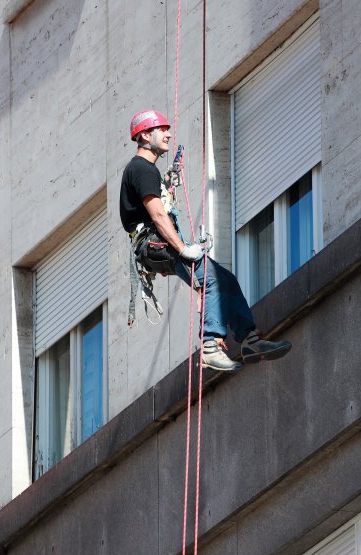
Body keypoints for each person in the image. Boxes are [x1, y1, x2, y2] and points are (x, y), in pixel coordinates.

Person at [120, 109, 292, 371]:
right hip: (155, 243)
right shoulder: (142, 169)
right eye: (161, 129)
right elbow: (156, 214)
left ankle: (249, 339)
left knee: (225, 279)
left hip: (156, 245)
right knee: (210, 279)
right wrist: (181, 248)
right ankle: (210, 346)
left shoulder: (146, 171)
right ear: (145, 135)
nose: (168, 134)